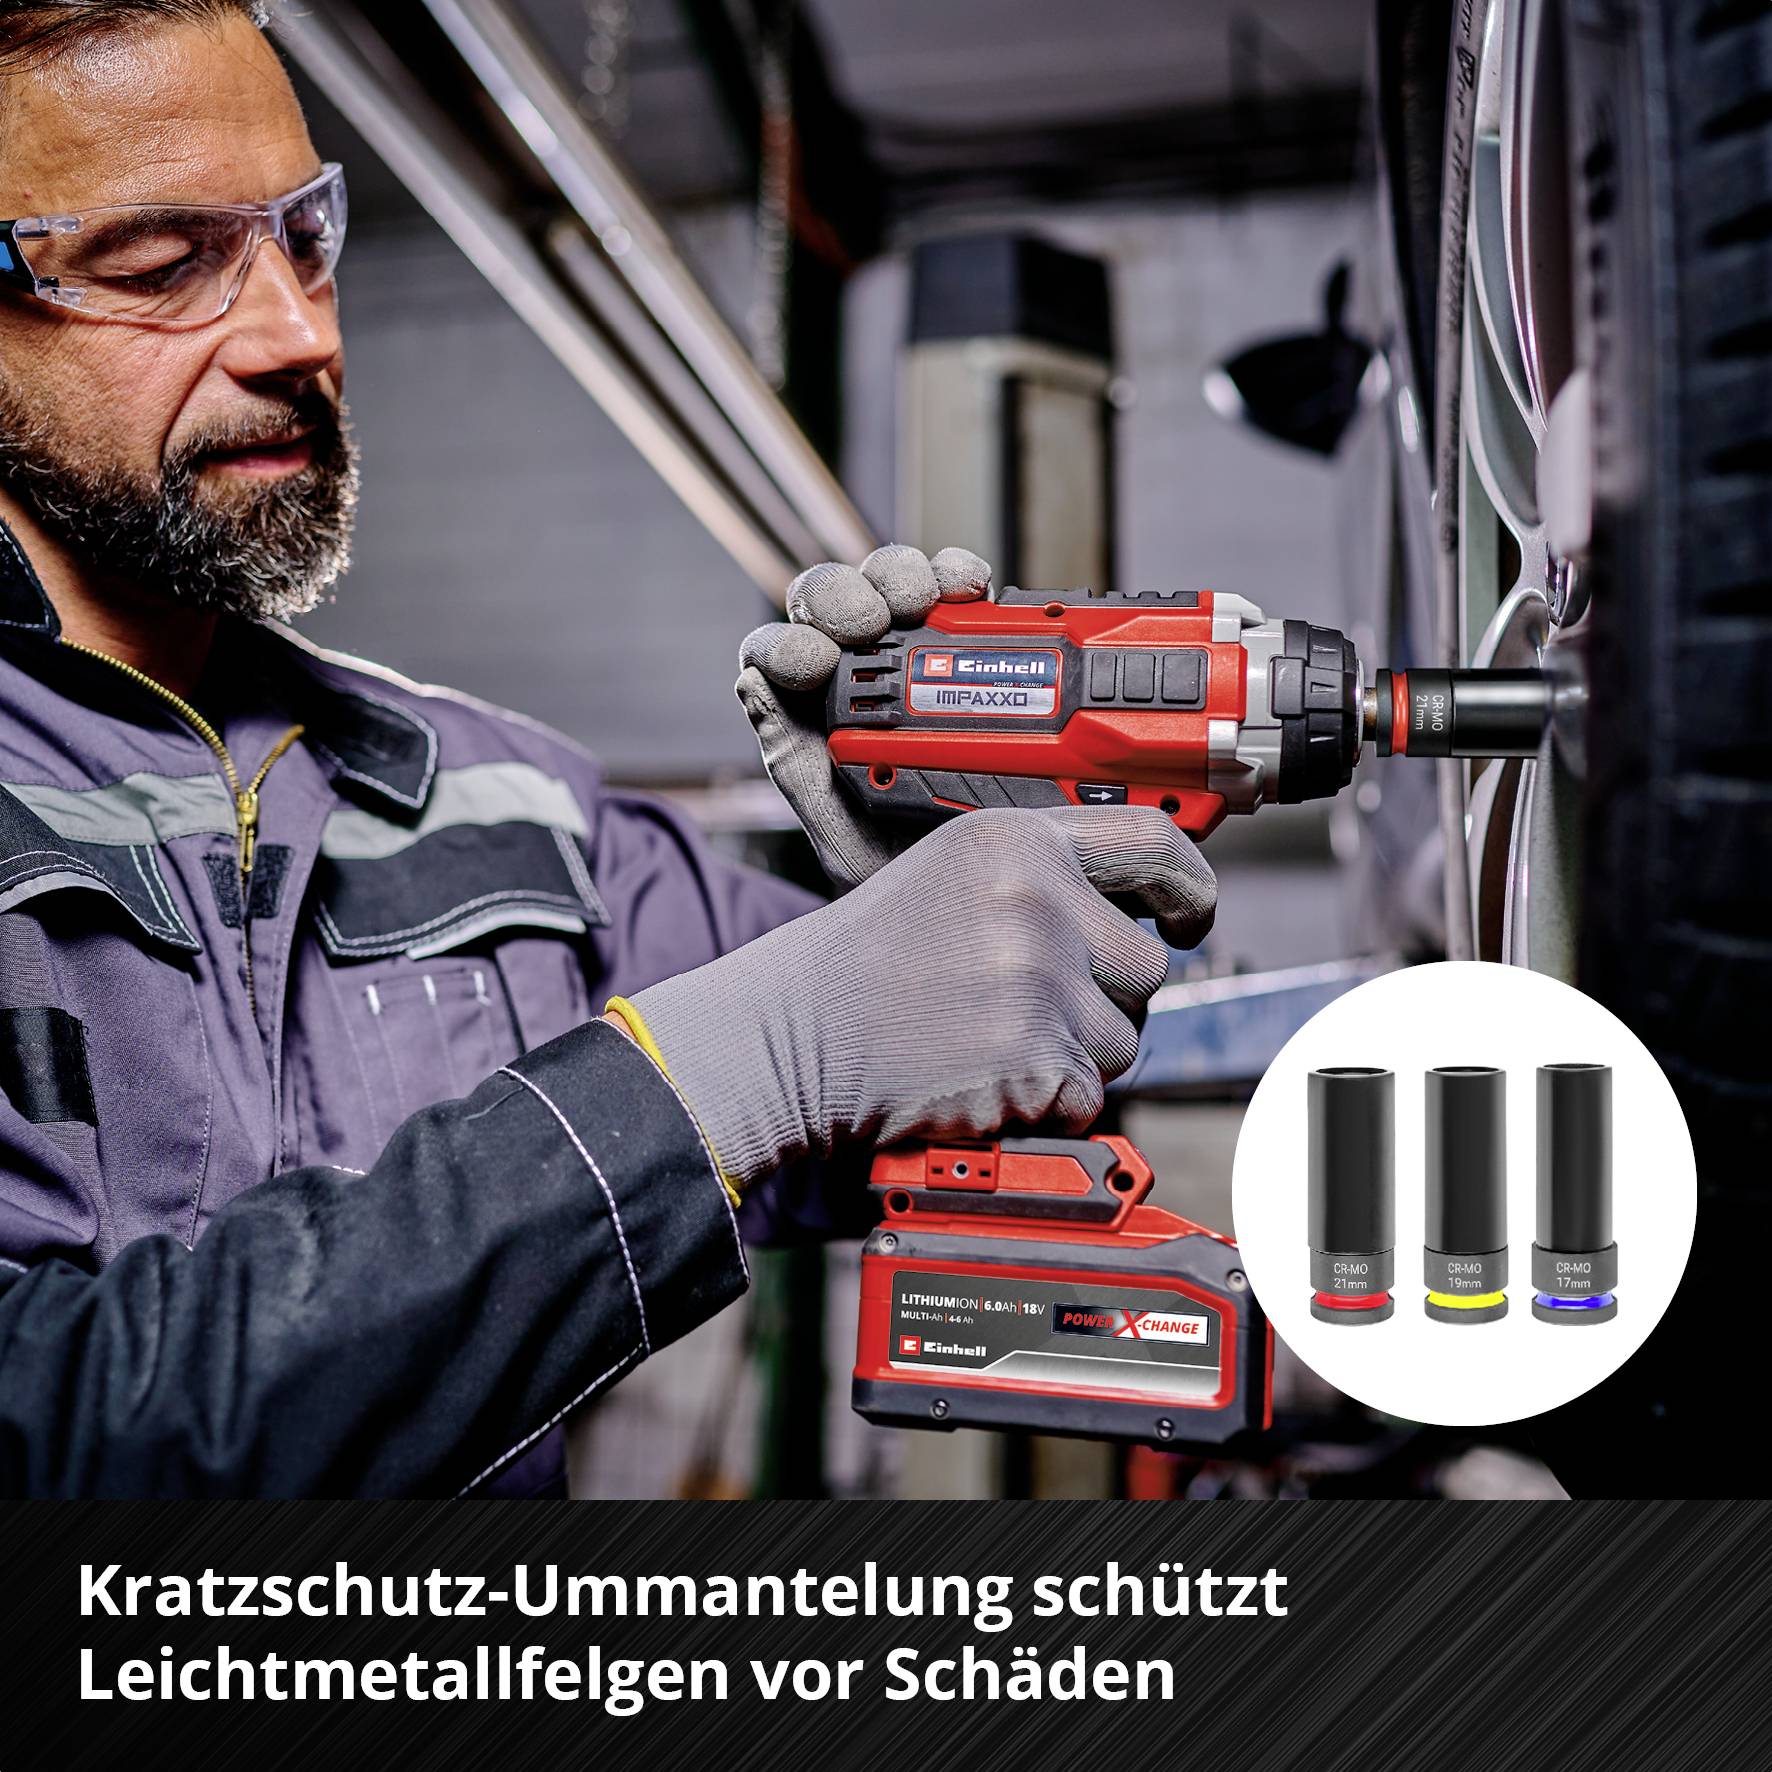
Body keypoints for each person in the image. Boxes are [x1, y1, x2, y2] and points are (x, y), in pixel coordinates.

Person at [0, 0, 1215, 1497]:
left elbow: (1013, 1087)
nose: (297, 332)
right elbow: (57, 1430)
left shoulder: (503, 801)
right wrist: (727, 1065)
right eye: (158, 263)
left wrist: (963, 885)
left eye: (305, 237)